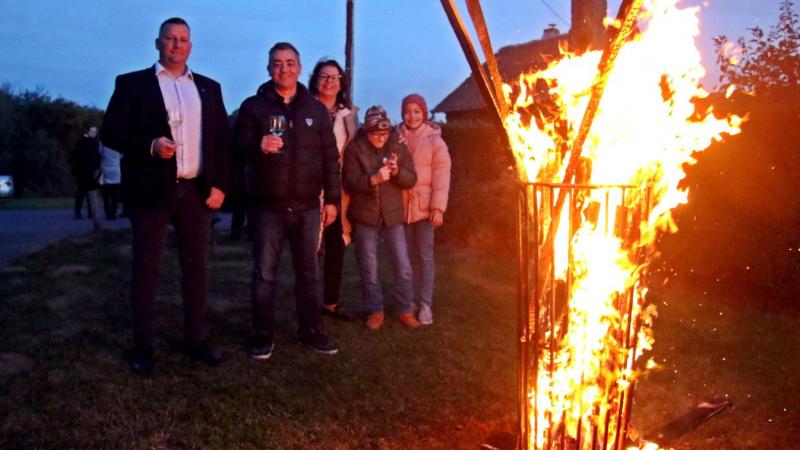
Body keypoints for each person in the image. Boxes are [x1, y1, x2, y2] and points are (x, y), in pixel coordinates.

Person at [100, 17, 232, 375]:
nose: (177, 45)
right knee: (147, 269)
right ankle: (142, 346)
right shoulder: (132, 84)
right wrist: (149, 145)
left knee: (196, 269)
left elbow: (222, 140)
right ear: (158, 43)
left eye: (183, 39)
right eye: (170, 39)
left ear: (191, 46)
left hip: (195, 192)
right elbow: (111, 131)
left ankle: (195, 339)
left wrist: (220, 184)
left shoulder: (208, 88)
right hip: (151, 190)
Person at [234, 42, 341, 359]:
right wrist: (257, 145)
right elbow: (237, 147)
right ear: (269, 69)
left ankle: (311, 330)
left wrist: (332, 199)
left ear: (299, 67)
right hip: (268, 207)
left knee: (309, 273)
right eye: (278, 63)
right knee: (265, 274)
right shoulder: (253, 106)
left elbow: (330, 158)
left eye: (290, 63)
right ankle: (262, 335)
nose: (284, 69)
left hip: (307, 207)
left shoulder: (316, 110)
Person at [342, 106, 419, 330]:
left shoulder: (397, 144)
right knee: (369, 268)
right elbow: (349, 181)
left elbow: (411, 178)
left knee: (403, 266)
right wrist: (372, 180)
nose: (381, 138)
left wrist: (396, 172)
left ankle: (404, 308)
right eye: (376, 133)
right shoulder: (355, 148)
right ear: (367, 131)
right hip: (365, 216)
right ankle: (375, 310)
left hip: (392, 215)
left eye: (384, 133)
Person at [308, 58, 358, 321]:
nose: (329, 82)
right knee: (310, 245)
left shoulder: (347, 114)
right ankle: (308, 301)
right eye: (324, 76)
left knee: (336, 243)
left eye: (334, 77)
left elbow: (360, 144)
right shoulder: (305, 107)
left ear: (341, 83)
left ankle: (330, 302)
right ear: (316, 80)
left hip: (337, 186)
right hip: (309, 184)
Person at [398, 94, 452, 325]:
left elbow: (442, 176)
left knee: (425, 257)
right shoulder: (396, 137)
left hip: (425, 207)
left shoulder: (434, 141)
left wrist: (437, 207)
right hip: (401, 208)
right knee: (406, 258)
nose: (412, 116)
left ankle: (425, 304)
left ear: (424, 113)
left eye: (416, 111)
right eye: (407, 111)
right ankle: (410, 301)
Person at [71, 126, 101, 219]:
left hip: (91, 170)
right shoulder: (82, 142)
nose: (94, 133)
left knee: (89, 191)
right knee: (82, 191)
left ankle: (90, 212)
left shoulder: (94, 142)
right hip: (83, 170)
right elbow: (77, 156)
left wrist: (97, 168)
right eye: (92, 131)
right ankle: (78, 212)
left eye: (95, 131)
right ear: (88, 131)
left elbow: (97, 156)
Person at [99, 143, 122, 220]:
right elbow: (121, 156)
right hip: (116, 168)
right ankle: (113, 213)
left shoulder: (103, 144)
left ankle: (108, 213)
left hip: (105, 168)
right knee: (114, 195)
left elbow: (100, 153)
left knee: (106, 194)